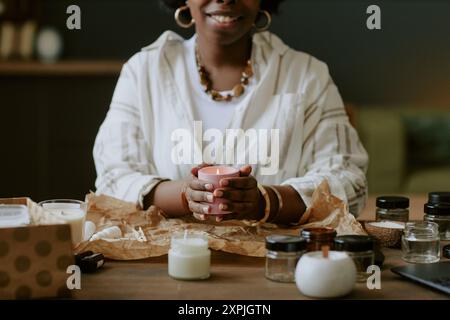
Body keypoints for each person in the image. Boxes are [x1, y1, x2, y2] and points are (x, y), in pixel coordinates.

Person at [93, 0, 368, 225]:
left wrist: (265, 201)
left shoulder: (306, 76)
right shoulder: (144, 72)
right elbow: (112, 178)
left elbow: (349, 181)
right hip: (167, 267)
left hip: (278, 267)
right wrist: (183, 195)